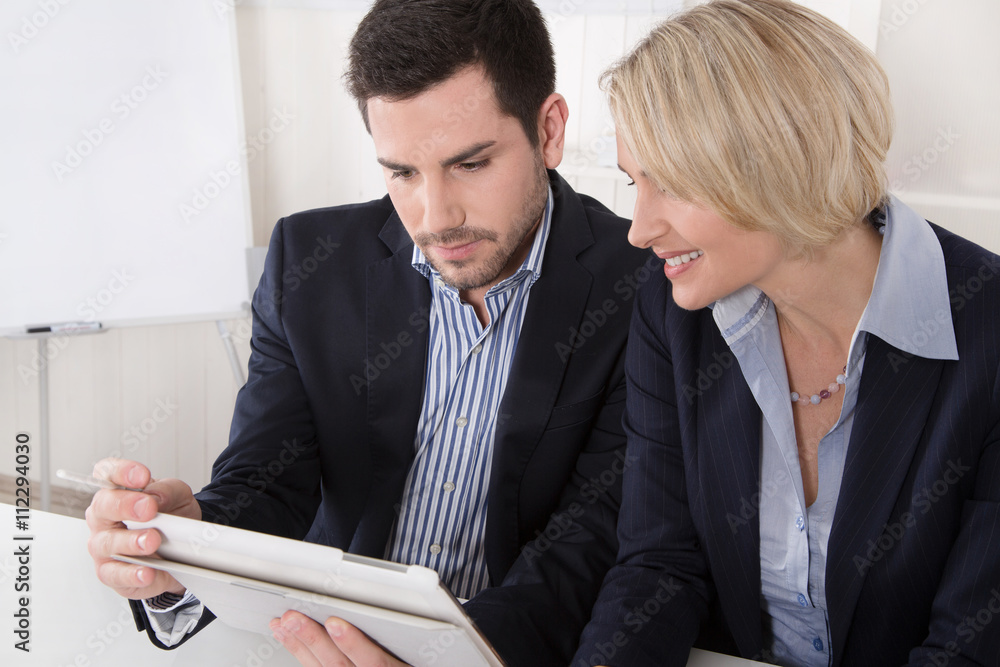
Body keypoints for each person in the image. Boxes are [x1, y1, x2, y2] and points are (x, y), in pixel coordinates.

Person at [84, 1, 651, 665]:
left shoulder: (642, 285)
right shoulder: (308, 261)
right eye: (402, 171)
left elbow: (588, 544)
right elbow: (270, 477)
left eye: (470, 164)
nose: (437, 216)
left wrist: (445, 654)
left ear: (548, 130)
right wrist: (191, 542)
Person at [567, 1, 1000, 665]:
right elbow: (658, 567)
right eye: (634, 183)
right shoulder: (672, 310)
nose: (639, 226)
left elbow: (967, 647)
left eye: (670, 184)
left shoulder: (988, 327)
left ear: (776, 164)